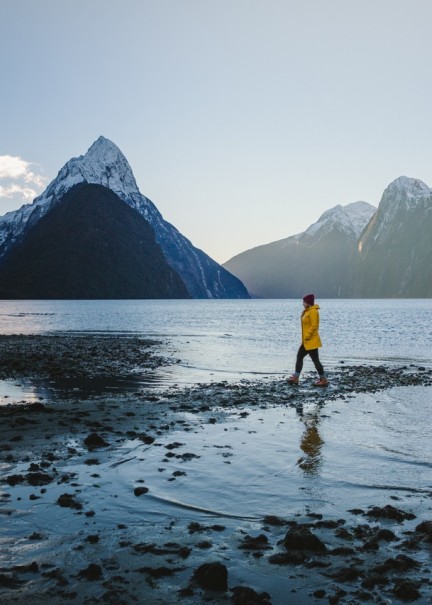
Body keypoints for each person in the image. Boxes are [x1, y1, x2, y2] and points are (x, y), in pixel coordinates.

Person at [288, 294, 328, 387]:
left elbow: (315, 326)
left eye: (304, 302)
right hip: (306, 341)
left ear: (308, 302)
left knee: (315, 360)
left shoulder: (313, 312)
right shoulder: (307, 311)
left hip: (311, 341)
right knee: (300, 356)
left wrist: (307, 336)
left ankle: (323, 380)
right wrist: (305, 338)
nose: (303, 304)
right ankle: (296, 377)